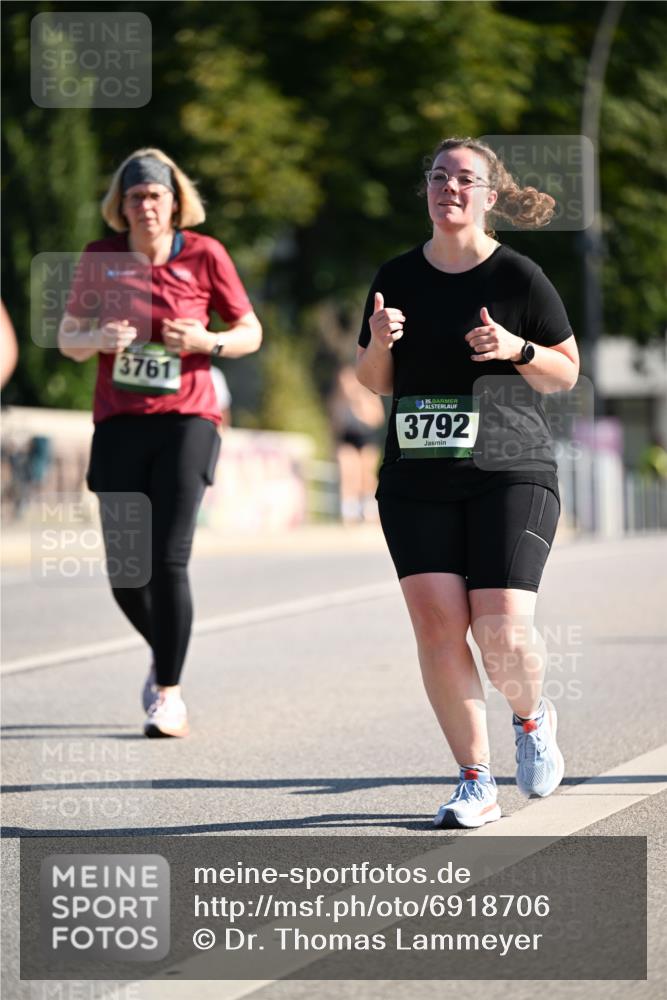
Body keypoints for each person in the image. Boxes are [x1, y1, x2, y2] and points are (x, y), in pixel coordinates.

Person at [356, 136, 579, 828]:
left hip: (510, 469)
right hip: (417, 473)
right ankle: (474, 780)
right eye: (437, 176)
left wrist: (516, 348)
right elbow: (374, 386)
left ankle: (531, 718)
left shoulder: (517, 277)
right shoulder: (396, 275)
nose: (447, 187)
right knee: (437, 624)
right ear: (425, 190)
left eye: (463, 179)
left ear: (488, 196)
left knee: (502, 630)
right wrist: (378, 340)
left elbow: (565, 373)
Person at [58, 148, 262, 738]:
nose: (145, 206)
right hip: (119, 424)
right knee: (126, 573)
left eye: (155, 196)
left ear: (175, 203)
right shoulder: (99, 259)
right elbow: (68, 338)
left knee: (169, 560)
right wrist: (99, 334)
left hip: (188, 422)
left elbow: (250, 331)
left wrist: (206, 340)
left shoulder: (206, 254)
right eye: (134, 197)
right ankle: (166, 646)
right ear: (119, 207)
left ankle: (168, 693)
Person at [329, 364, 385, 523]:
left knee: (366, 475)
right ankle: (349, 511)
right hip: (348, 438)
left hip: (367, 437)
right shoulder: (337, 399)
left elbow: (376, 419)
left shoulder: (367, 395)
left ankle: (368, 508)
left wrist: (358, 403)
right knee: (348, 473)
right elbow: (335, 425)